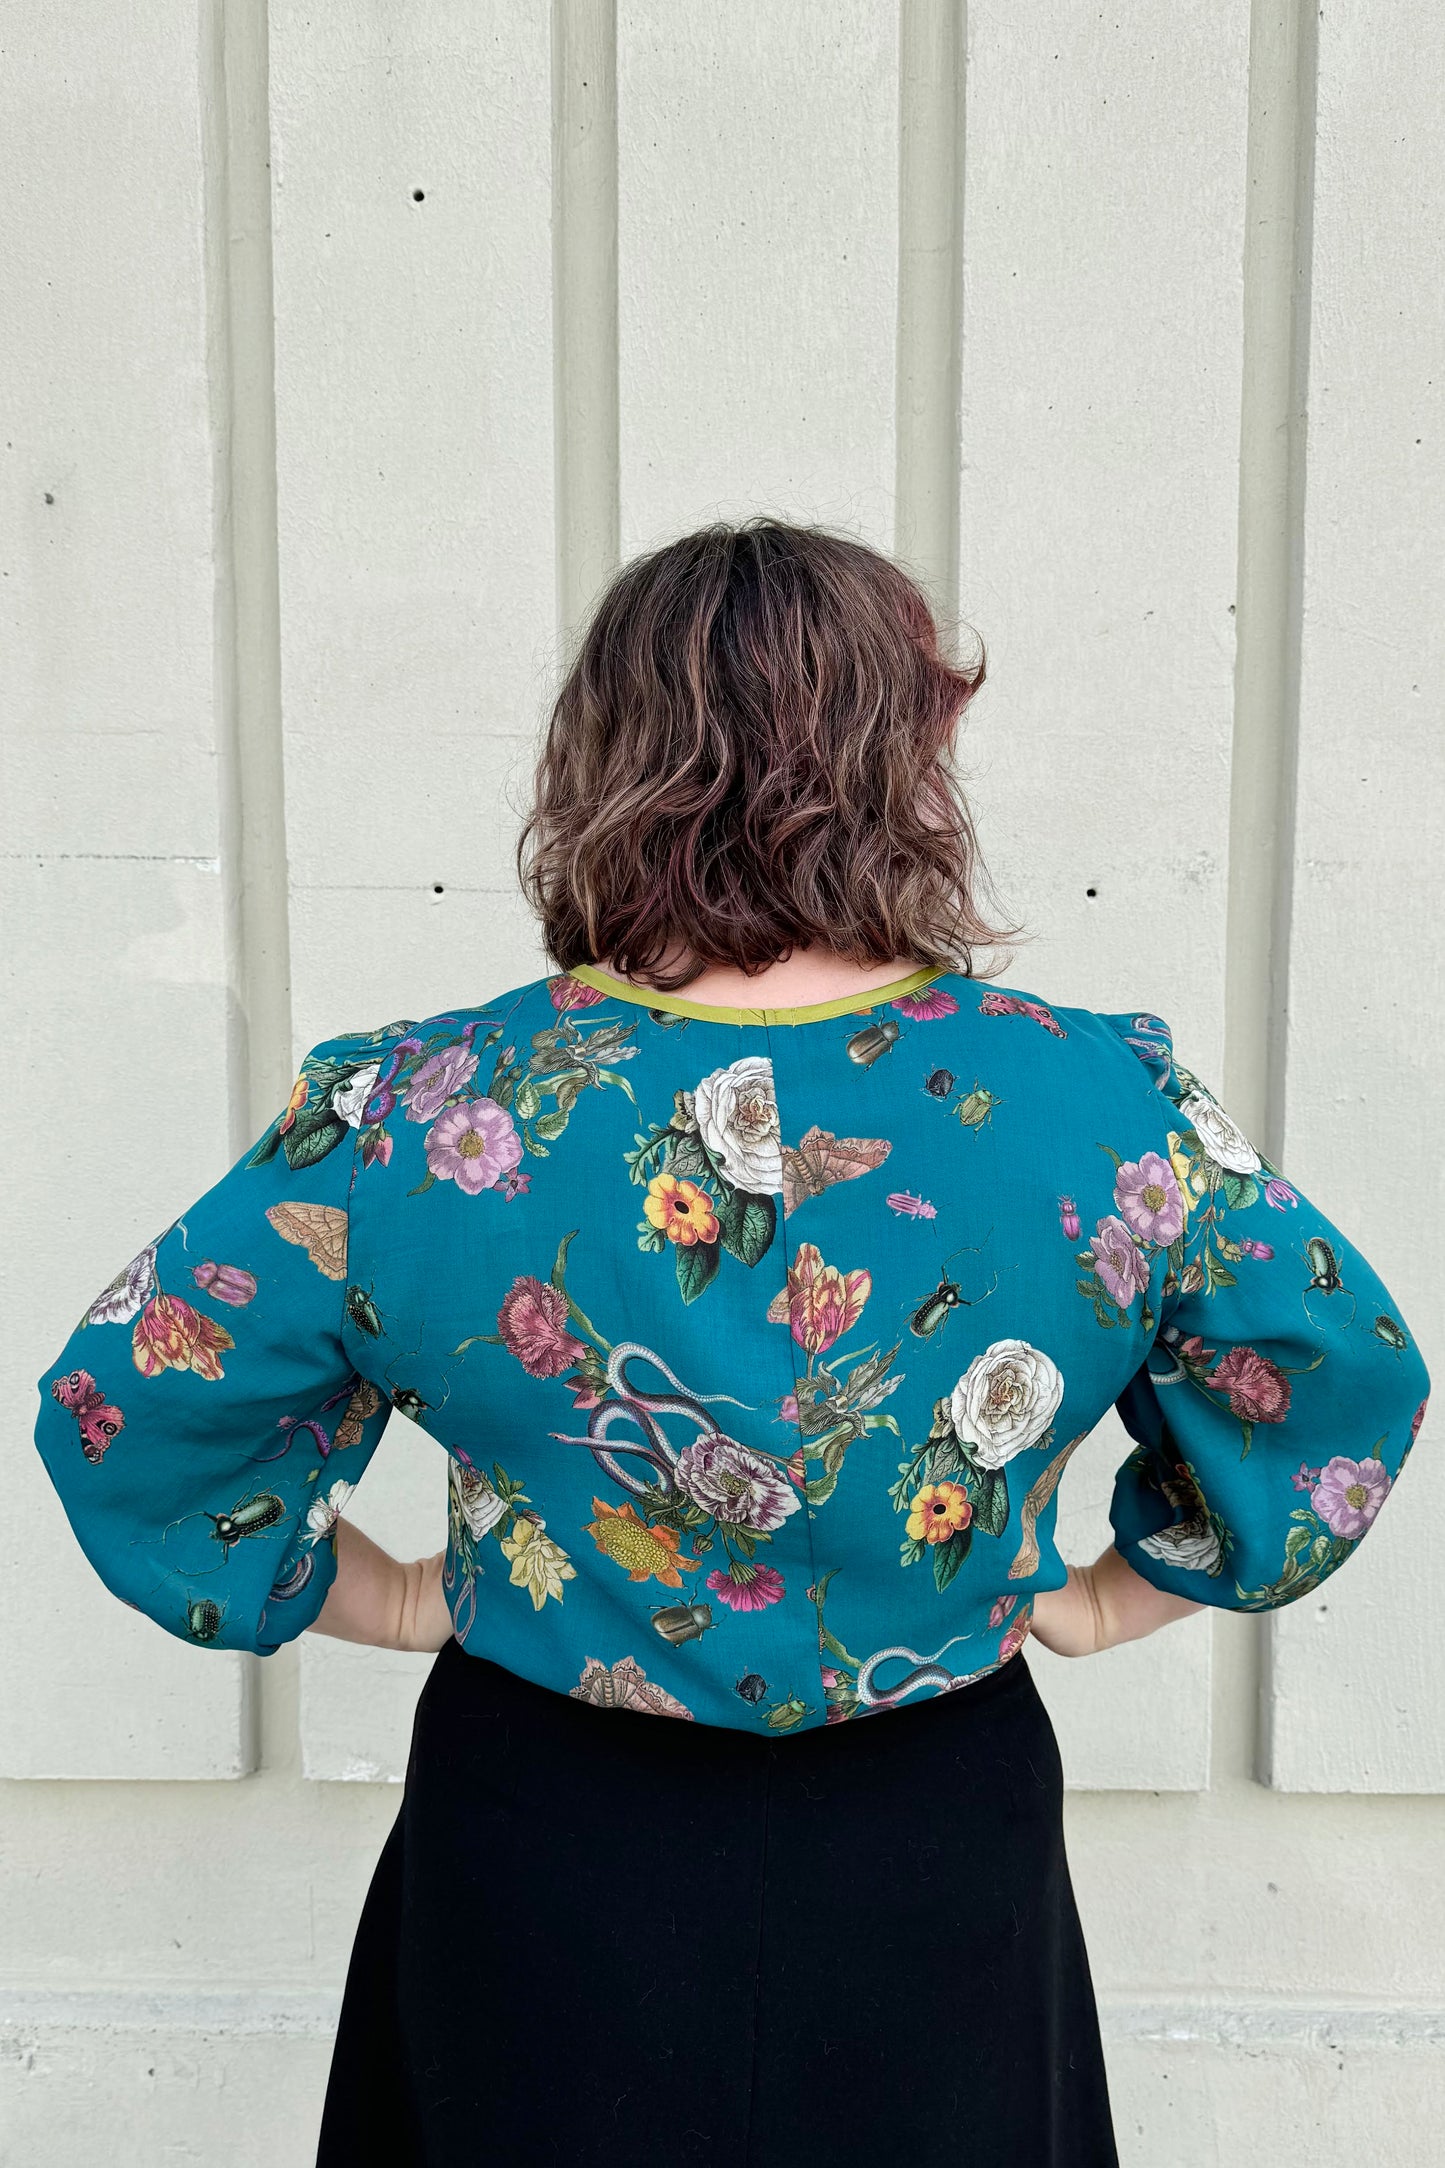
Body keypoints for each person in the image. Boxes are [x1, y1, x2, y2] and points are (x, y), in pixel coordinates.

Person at [34, 519, 1429, 2167]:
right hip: (931, 1831)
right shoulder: (1095, 1106)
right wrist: (1105, 1602)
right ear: (908, 756)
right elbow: (1331, 1374)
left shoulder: (424, 1110)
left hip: (543, 1825)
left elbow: (135, 1404)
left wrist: (401, 1594)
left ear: (596, 756)